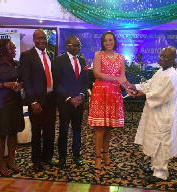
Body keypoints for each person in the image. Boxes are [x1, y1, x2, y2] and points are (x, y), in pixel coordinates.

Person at [127, 46, 177, 182]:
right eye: (161, 55)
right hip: (155, 113)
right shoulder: (161, 71)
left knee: (161, 143)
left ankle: (161, 173)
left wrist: (143, 94)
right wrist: (136, 86)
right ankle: (155, 166)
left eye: (165, 56)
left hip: (164, 115)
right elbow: (150, 84)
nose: (161, 58)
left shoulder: (173, 75)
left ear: (173, 59)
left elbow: (161, 94)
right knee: (154, 141)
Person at [87, 31, 129, 174]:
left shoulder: (121, 58)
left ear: (114, 41)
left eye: (110, 40)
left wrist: (129, 88)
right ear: (102, 42)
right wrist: (116, 79)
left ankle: (106, 154)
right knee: (100, 127)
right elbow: (97, 74)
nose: (108, 43)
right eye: (105, 40)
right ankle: (97, 157)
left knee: (109, 127)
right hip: (100, 93)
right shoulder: (99, 55)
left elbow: (123, 77)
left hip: (114, 94)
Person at [20, 29, 56, 171]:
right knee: (36, 131)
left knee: (50, 131)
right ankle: (36, 160)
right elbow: (26, 81)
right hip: (36, 101)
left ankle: (47, 157)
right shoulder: (27, 56)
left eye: (44, 38)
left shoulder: (51, 55)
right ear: (34, 39)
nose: (42, 40)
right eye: (39, 38)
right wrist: (33, 101)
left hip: (51, 99)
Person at [0, 38, 24, 176]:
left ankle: (11, 161)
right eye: (12, 48)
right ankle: (1, 163)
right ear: (3, 50)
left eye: (14, 48)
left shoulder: (16, 64)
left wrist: (20, 85)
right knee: (2, 133)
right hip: (2, 102)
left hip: (16, 100)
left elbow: (20, 80)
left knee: (14, 132)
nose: (14, 50)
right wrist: (4, 85)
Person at [53, 36, 88, 169]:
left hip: (79, 102)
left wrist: (81, 95)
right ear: (67, 46)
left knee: (77, 129)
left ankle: (76, 155)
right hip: (65, 101)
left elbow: (85, 82)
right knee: (63, 130)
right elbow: (58, 82)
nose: (76, 48)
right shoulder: (58, 60)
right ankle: (62, 157)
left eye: (78, 46)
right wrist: (69, 98)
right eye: (74, 45)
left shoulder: (82, 60)